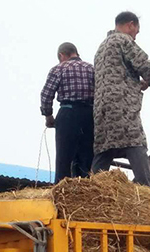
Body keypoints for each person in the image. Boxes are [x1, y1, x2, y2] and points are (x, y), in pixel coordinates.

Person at [92, 11, 150, 186]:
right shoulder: (123, 40)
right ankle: (145, 189)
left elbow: (116, 75)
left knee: (104, 147)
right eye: (136, 31)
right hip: (121, 104)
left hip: (101, 108)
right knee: (135, 142)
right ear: (130, 24)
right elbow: (144, 64)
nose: (135, 37)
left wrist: (137, 84)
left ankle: (92, 187)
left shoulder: (101, 48)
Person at [40, 42, 95, 183]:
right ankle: (85, 189)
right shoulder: (91, 69)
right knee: (86, 159)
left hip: (67, 114)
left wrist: (48, 116)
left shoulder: (58, 69)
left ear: (61, 55)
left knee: (64, 158)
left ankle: (62, 188)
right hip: (89, 115)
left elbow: (46, 95)